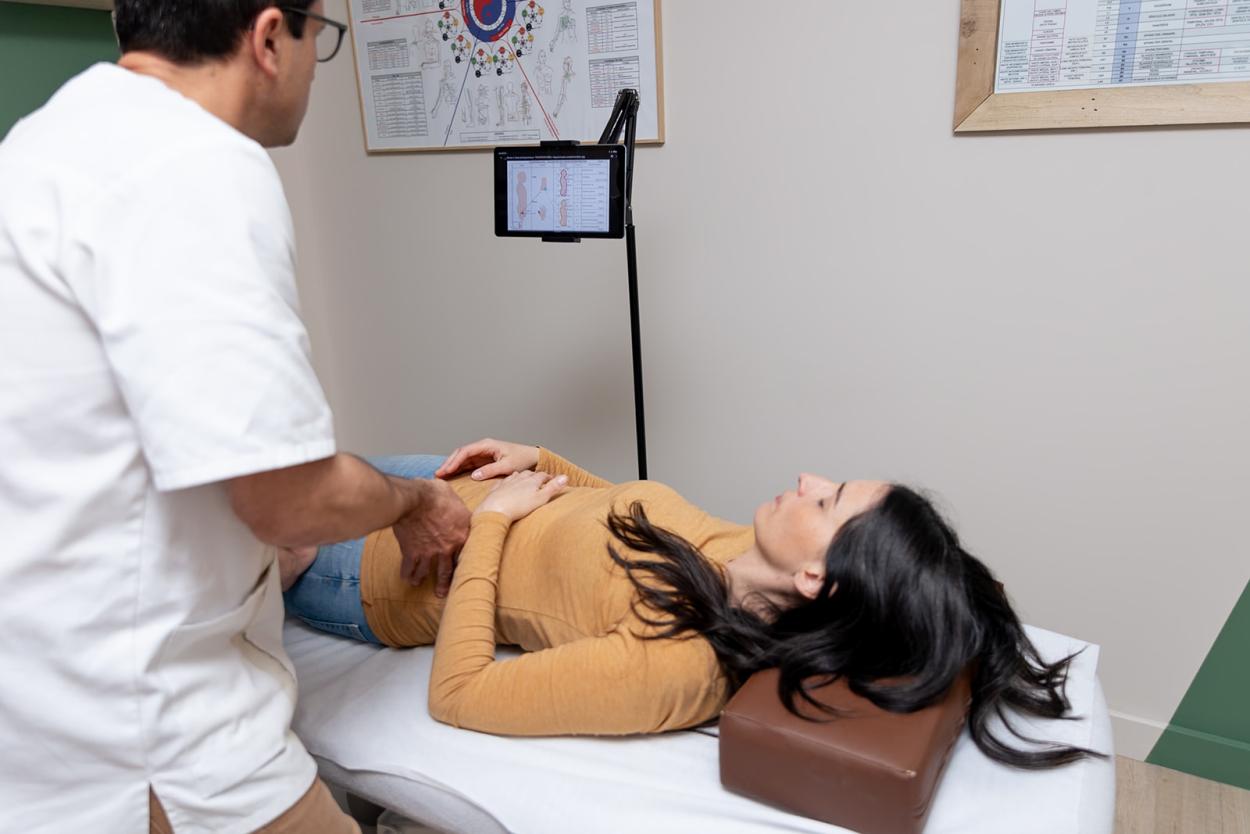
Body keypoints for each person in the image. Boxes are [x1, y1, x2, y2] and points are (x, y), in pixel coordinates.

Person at [0, 3, 470, 832]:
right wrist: (416, 502)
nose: (314, 67)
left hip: (45, 699)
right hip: (151, 730)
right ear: (266, 40)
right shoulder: (197, 163)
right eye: (319, 35)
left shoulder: (41, 145)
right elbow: (286, 500)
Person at [283, 439, 1102, 768]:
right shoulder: (741, 555)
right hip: (436, 484)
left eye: (828, 503)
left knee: (210, 511)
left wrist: (492, 526)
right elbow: (628, 517)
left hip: (385, 568)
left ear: (819, 582)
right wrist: (543, 459)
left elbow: (459, 696)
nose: (810, 482)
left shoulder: (673, 664)